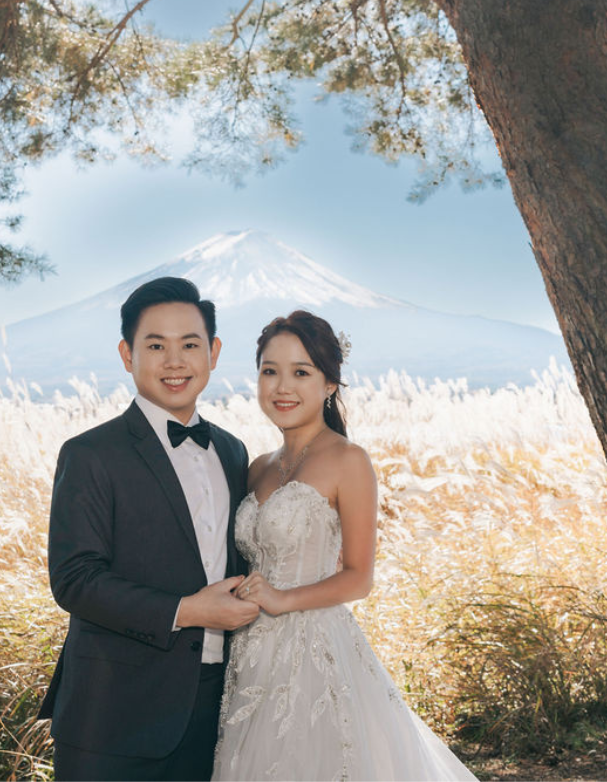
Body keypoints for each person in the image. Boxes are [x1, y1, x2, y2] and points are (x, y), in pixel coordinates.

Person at [211, 310, 476, 781]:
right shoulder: (257, 466)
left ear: (329, 384)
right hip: (250, 653)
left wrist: (281, 598)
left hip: (312, 650)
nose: (281, 387)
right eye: (269, 371)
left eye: (301, 372)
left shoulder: (348, 460)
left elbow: (359, 577)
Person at [38, 277, 260, 781]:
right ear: (126, 354)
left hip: (214, 705)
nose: (174, 361)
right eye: (155, 345)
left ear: (214, 352)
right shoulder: (90, 453)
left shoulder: (231, 449)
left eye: (190, 345)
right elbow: (74, 579)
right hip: (113, 713)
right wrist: (188, 610)